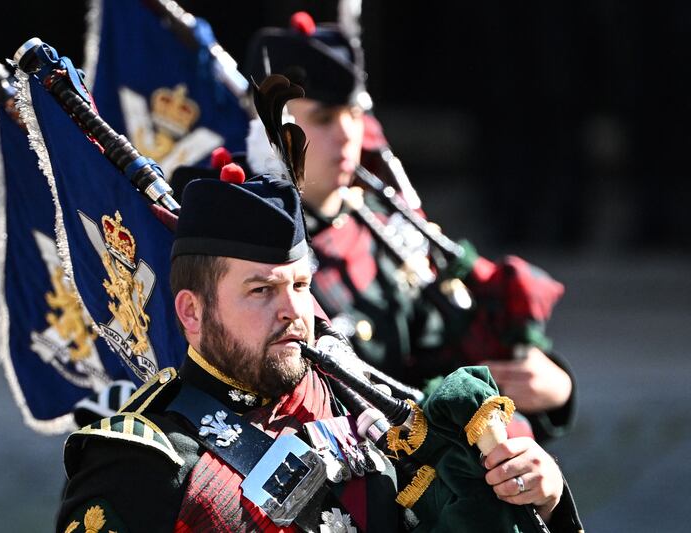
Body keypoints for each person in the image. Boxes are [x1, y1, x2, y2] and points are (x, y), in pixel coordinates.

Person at [55, 152, 581, 531]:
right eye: (260, 290)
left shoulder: (361, 404)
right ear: (192, 312)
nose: (293, 310)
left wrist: (545, 497)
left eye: (301, 286)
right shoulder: (147, 464)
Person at [242, 13, 576, 443]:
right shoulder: (251, 241)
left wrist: (552, 385)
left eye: (354, 114)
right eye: (324, 117)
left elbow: (450, 344)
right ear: (273, 127)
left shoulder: (379, 225)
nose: (348, 135)